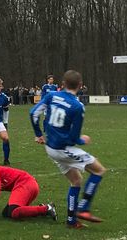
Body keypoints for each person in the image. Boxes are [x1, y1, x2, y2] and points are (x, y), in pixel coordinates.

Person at [30, 70, 107, 229]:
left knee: (76, 181)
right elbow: (73, 138)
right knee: (99, 170)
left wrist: (38, 134)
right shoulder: (77, 106)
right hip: (63, 148)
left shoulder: (51, 96)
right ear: (80, 85)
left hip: (50, 147)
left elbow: (33, 113)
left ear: (63, 84)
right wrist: (82, 140)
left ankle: (72, 221)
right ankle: (84, 208)